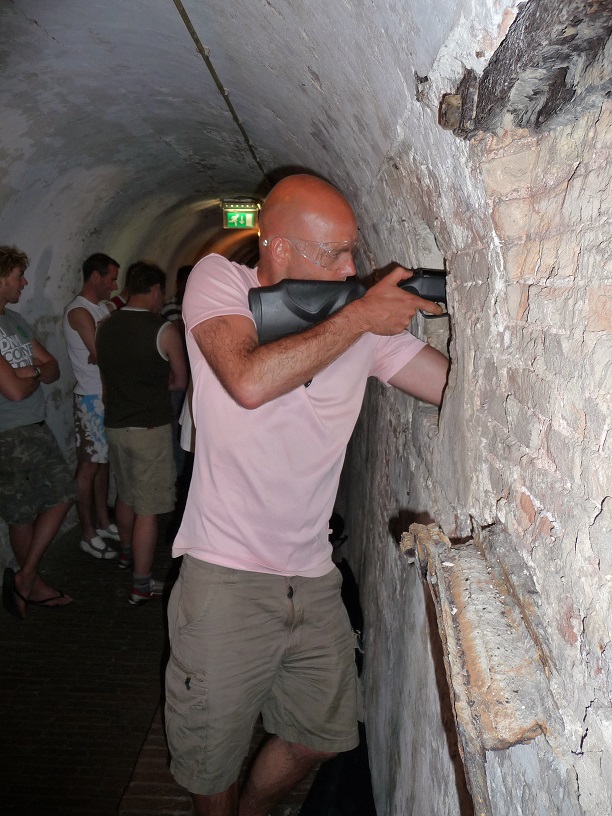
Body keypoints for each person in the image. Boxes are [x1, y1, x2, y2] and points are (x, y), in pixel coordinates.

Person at [164, 174, 449, 816]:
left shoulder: (359, 329)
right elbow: (246, 379)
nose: (352, 267)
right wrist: (360, 316)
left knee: (322, 736)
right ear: (277, 250)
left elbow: (448, 387)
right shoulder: (219, 282)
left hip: (314, 577)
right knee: (210, 761)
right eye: (334, 255)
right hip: (224, 577)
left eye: (354, 249)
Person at [96, 261, 188, 603]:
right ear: (154, 290)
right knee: (148, 508)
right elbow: (179, 381)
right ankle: (141, 583)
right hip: (150, 428)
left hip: (117, 426)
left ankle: (124, 552)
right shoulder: (163, 330)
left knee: (126, 494)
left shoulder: (105, 326)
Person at [0, 245, 75, 620]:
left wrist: (26, 373)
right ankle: (30, 582)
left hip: (34, 427)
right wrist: (30, 373)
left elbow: (52, 367)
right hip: (9, 436)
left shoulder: (13, 320)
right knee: (22, 513)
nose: (24, 282)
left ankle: (26, 579)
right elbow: (13, 389)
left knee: (61, 494)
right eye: (17, 276)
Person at [63, 252, 121, 560]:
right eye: (110, 278)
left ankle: (102, 522)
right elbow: (101, 353)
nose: (114, 285)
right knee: (88, 466)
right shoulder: (79, 311)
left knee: (102, 463)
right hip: (90, 397)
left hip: (106, 395)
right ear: (95, 277)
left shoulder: (102, 308)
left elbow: (108, 351)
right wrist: (108, 351)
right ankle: (86, 533)